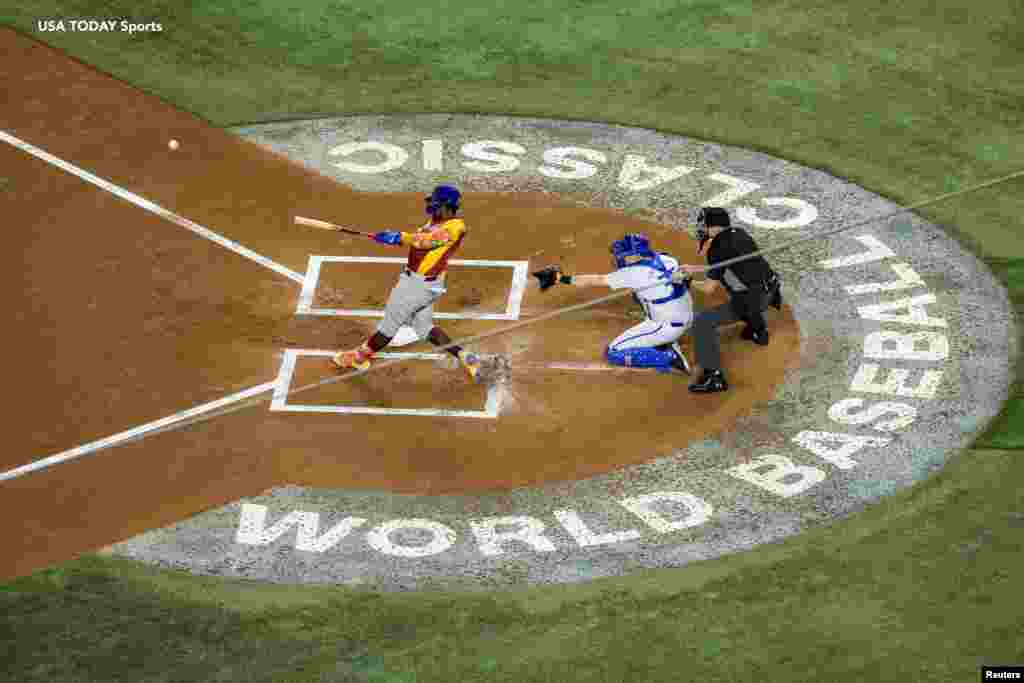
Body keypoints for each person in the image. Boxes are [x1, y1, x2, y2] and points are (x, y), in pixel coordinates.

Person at [332, 184, 482, 381]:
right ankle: (466, 357)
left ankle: (359, 357)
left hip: (417, 287)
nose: (432, 207)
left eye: (436, 204)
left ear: (446, 207)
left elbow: (427, 242)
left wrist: (400, 237)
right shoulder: (436, 221)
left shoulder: (455, 227)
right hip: (427, 284)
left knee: (388, 328)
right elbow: (419, 241)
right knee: (424, 328)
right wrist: (394, 238)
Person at [531, 234, 692, 374]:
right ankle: (663, 339)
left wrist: (561, 278)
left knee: (614, 353)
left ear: (635, 256)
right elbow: (685, 280)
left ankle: (669, 357)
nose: (620, 258)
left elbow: (595, 280)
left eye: (624, 255)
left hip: (665, 325)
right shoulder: (667, 259)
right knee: (642, 293)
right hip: (683, 314)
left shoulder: (632, 274)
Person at [679, 207, 782, 393]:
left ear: (714, 226)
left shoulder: (718, 249)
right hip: (772, 290)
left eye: (704, 225)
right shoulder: (739, 233)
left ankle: (714, 376)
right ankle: (758, 331)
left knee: (703, 321)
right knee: (739, 283)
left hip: (754, 300)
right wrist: (695, 269)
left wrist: (688, 280)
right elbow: (731, 264)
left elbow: (709, 288)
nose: (701, 228)